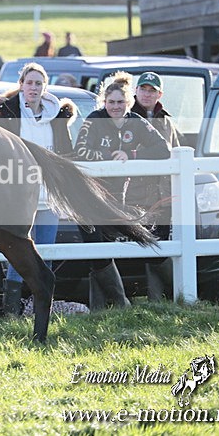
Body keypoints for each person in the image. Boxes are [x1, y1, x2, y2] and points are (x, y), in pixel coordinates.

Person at [0, 62, 80, 315]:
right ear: (21, 85)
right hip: (19, 196)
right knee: (20, 251)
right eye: (29, 83)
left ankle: (41, 307)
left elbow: (64, 155)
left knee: (45, 253)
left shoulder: (56, 117)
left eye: (38, 83)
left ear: (44, 87)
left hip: (48, 197)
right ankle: (11, 307)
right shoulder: (8, 114)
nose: (33, 88)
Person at [73, 71, 170, 310]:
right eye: (110, 102)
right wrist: (108, 157)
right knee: (96, 247)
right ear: (103, 103)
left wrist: (133, 155)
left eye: (120, 102)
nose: (115, 107)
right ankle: (116, 303)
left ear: (128, 103)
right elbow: (80, 152)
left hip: (120, 197)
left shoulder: (136, 122)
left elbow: (163, 149)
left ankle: (111, 307)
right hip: (90, 196)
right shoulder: (94, 120)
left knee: (108, 247)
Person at [129, 71, 181, 300]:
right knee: (149, 247)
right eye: (143, 89)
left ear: (160, 94)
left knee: (161, 244)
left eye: (152, 90)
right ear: (136, 91)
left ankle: (158, 298)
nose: (147, 94)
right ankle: (169, 292)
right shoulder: (127, 117)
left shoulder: (166, 121)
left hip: (164, 193)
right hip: (137, 194)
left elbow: (176, 153)